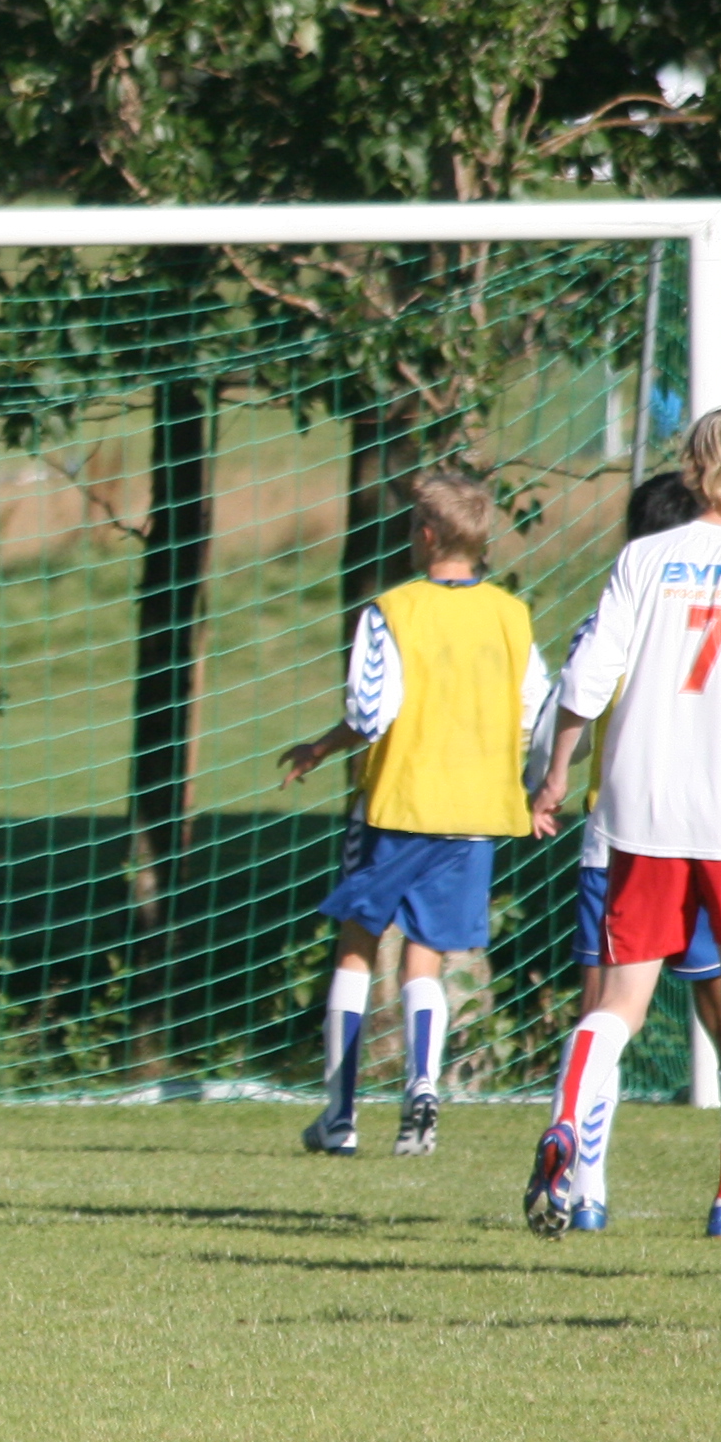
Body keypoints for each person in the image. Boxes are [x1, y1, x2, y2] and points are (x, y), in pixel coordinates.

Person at [277, 463, 549, 1158]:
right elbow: (535, 712)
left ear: (426, 535)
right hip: (475, 813)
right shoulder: (511, 615)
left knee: (357, 946)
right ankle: (422, 1093)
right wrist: (531, 789)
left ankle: (340, 1116)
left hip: (400, 805)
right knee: (425, 958)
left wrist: (319, 747)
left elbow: (371, 713)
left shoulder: (392, 611)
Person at [525, 408, 721, 1236]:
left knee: (618, 1002)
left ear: (691, 468)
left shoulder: (644, 557)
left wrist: (555, 776)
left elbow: (587, 677)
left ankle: (568, 1124)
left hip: (640, 809)